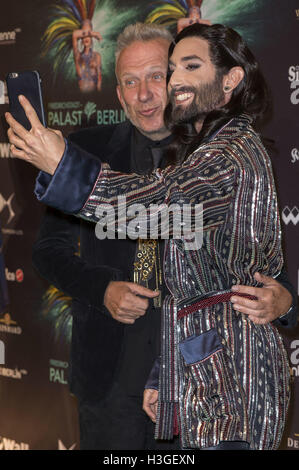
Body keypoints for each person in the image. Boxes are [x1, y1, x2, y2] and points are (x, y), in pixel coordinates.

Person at [5, 23, 298, 450]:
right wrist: (101, 288)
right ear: (119, 93)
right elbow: (48, 251)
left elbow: (157, 210)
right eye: (130, 81)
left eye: (159, 75)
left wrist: (284, 300)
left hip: (208, 377)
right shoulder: (94, 145)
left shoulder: (214, 154)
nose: (146, 93)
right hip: (121, 371)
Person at [72, 19, 102, 92]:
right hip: (80, 98)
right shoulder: (77, 56)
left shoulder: (97, 56)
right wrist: (93, 33)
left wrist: (100, 97)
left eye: (89, 35)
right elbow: (74, 34)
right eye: (84, 34)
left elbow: (99, 80)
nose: (86, 37)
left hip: (94, 96)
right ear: (81, 38)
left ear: (91, 38)